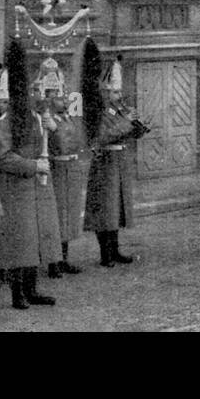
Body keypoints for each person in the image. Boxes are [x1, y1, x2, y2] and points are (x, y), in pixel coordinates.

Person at [0, 42, 58, 309]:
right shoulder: (6, 121)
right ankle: (17, 293)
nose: (37, 94)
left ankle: (31, 290)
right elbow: (2, 157)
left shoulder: (36, 117)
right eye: (33, 91)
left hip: (34, 189)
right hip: (15, 189)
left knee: (35, 240)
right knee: (19, 244)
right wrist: (33, 166)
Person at [84, 54, 141, 265]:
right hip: (105, 163)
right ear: (106, 92)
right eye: (115, 92)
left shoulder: (119, 109)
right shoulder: (99, 111)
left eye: (119, 91)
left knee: (117, 209)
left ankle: (115, 249)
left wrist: (136, 128)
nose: (119, 95)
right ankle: (105, 254)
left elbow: (122, 132)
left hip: (118, 162)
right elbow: (103, 136)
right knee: (106, 210)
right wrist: (126, 123)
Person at [39, 55, 84, 277]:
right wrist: (53, 130)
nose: (64, 101)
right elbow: (61, 145)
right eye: (59, 98)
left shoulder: (65, 119)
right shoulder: (46, 120)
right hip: (56, 171)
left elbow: (75, 142)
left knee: (67, 218)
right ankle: (52, 263)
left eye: (64, 97)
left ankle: (64, 259)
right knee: (54, 218)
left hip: (69, 171)